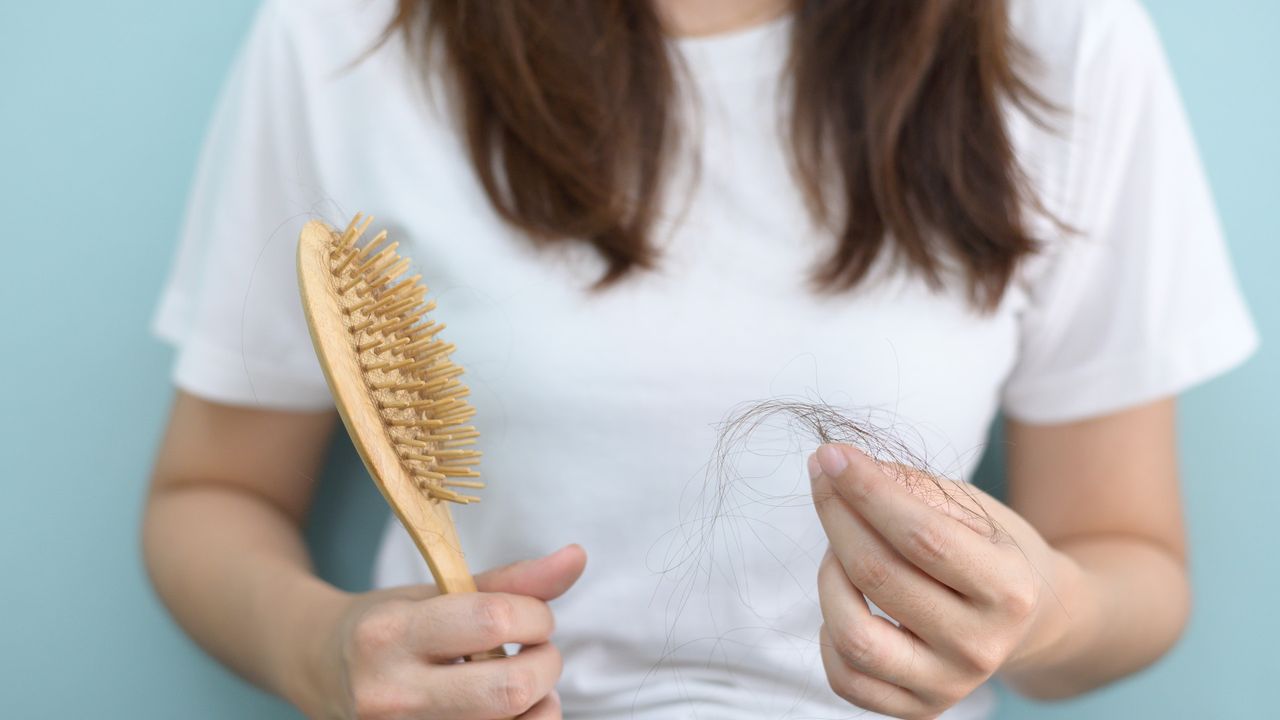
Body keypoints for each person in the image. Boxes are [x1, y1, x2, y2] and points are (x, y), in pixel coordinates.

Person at [142, 0, 1259, 718]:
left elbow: (1131, 559)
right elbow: (211, 492)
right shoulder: (342, 36)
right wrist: (322, 655)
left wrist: (1042, 612)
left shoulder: (1059, 41)